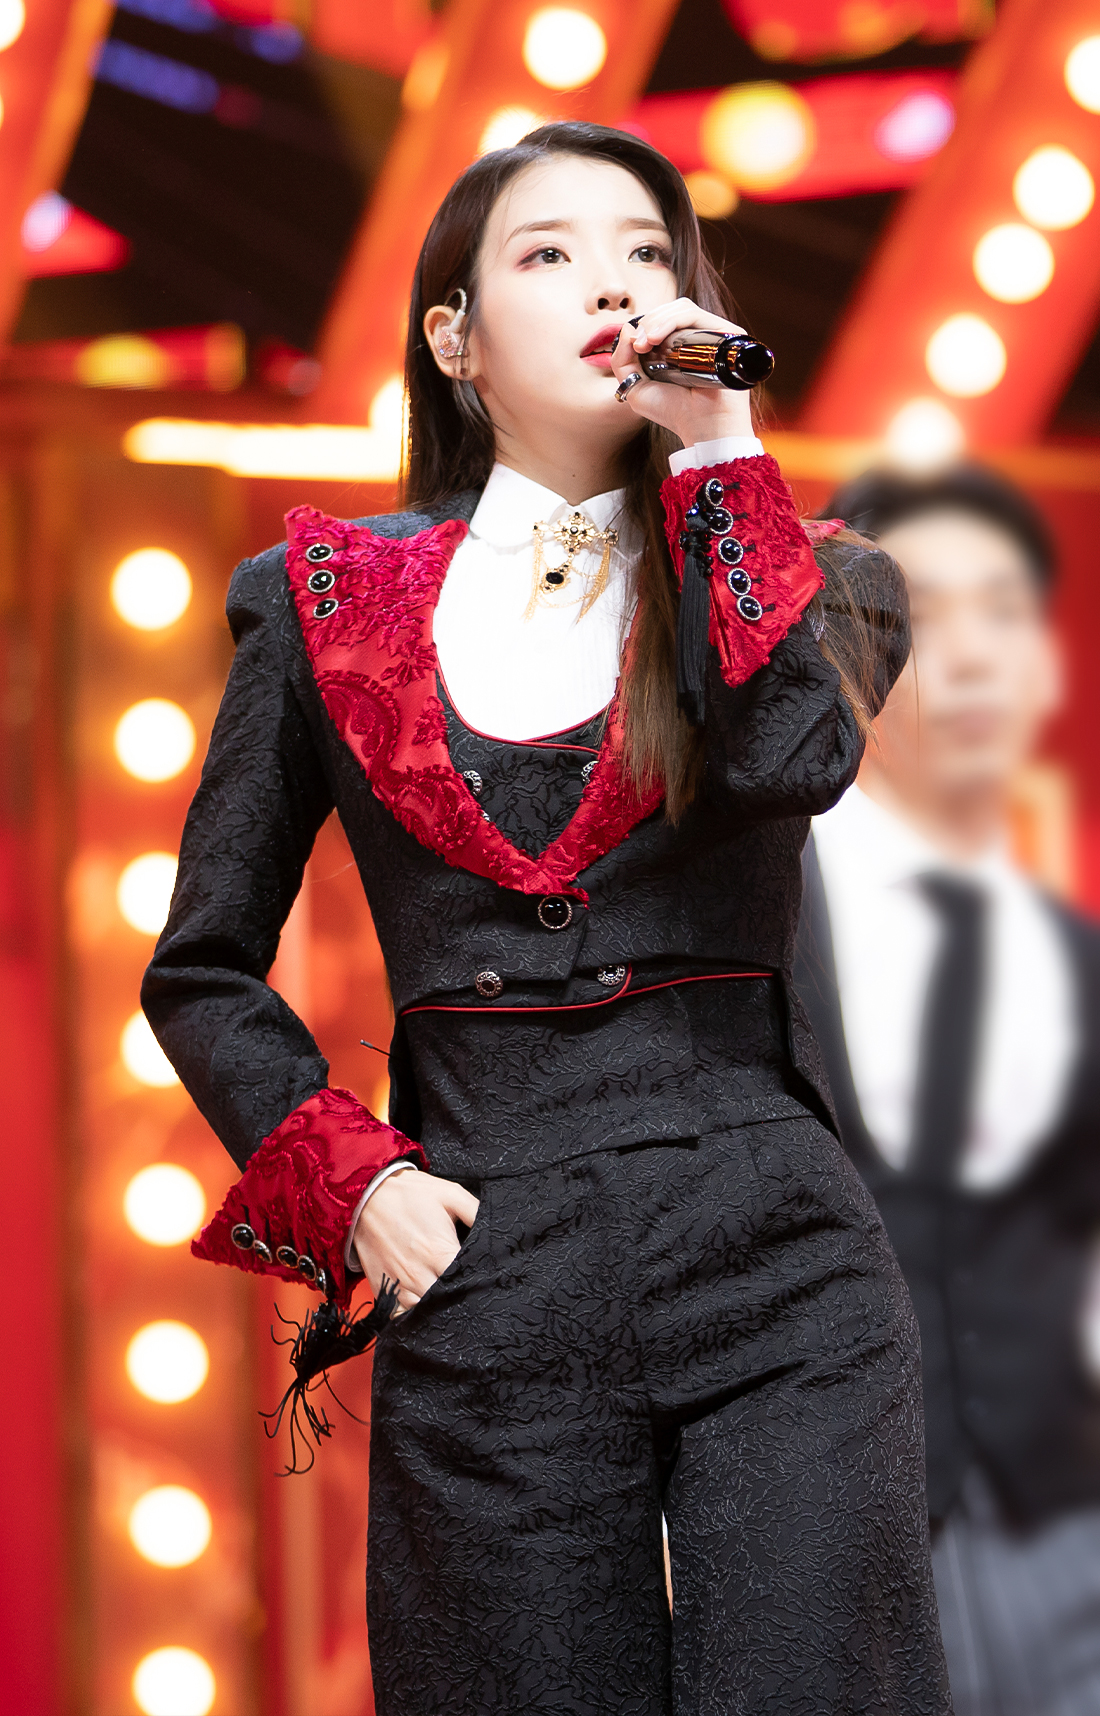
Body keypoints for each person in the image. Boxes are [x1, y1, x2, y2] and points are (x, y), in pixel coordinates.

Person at [143, 122, 949, 1716]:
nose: (613, 286)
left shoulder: (819, 577)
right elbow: (203, 967)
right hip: (487, 1255)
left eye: (648, 254)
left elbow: (789, 759)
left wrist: (718, 450)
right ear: (454, 340)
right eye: (551, 253)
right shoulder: (318, 607)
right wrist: (359, 1187)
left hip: (772, 1250)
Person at [795, 463, 1100, 1716]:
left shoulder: (1067, 953)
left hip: (1065, 1531)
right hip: (823, 1552)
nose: (969, 654)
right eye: (925, 609)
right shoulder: (738, 921)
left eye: (1003, 611)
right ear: (837, 644)